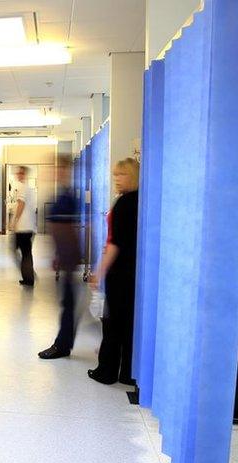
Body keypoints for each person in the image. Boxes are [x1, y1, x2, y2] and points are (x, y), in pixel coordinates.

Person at [88, 158, 140, 385]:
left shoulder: (124, 203)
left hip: (120, 271)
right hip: (135, 269)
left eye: (122, 175)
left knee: (112, 322)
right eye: (115, 175)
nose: (117, 179)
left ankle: (106, 371)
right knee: (129, 322)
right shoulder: (140, 201)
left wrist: (99, 272)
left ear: (133, 176)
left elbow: (115, 244)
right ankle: (129, 372)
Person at [38, 154, 80, 360]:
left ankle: (62, 345)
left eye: (60, 169)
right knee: (67, 301)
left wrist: (65, 256)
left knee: (68, 301)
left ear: (66, 170)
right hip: (64, 255)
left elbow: (69, 230)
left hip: (69, 256)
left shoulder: (68, 197)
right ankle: (64, 342)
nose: (56, 172)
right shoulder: (62, 194)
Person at [10, 166, 38, 286]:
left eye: (21, 173)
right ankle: (29, 276)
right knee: (25, 253)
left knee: (19, 252)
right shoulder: (30, 189)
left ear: (25, 175)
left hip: (23, 228)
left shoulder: (23, 188)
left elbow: (21, 205)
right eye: (18, 173)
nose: (19, 175)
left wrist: (15, 221)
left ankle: (29, 276)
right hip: (28, 227)